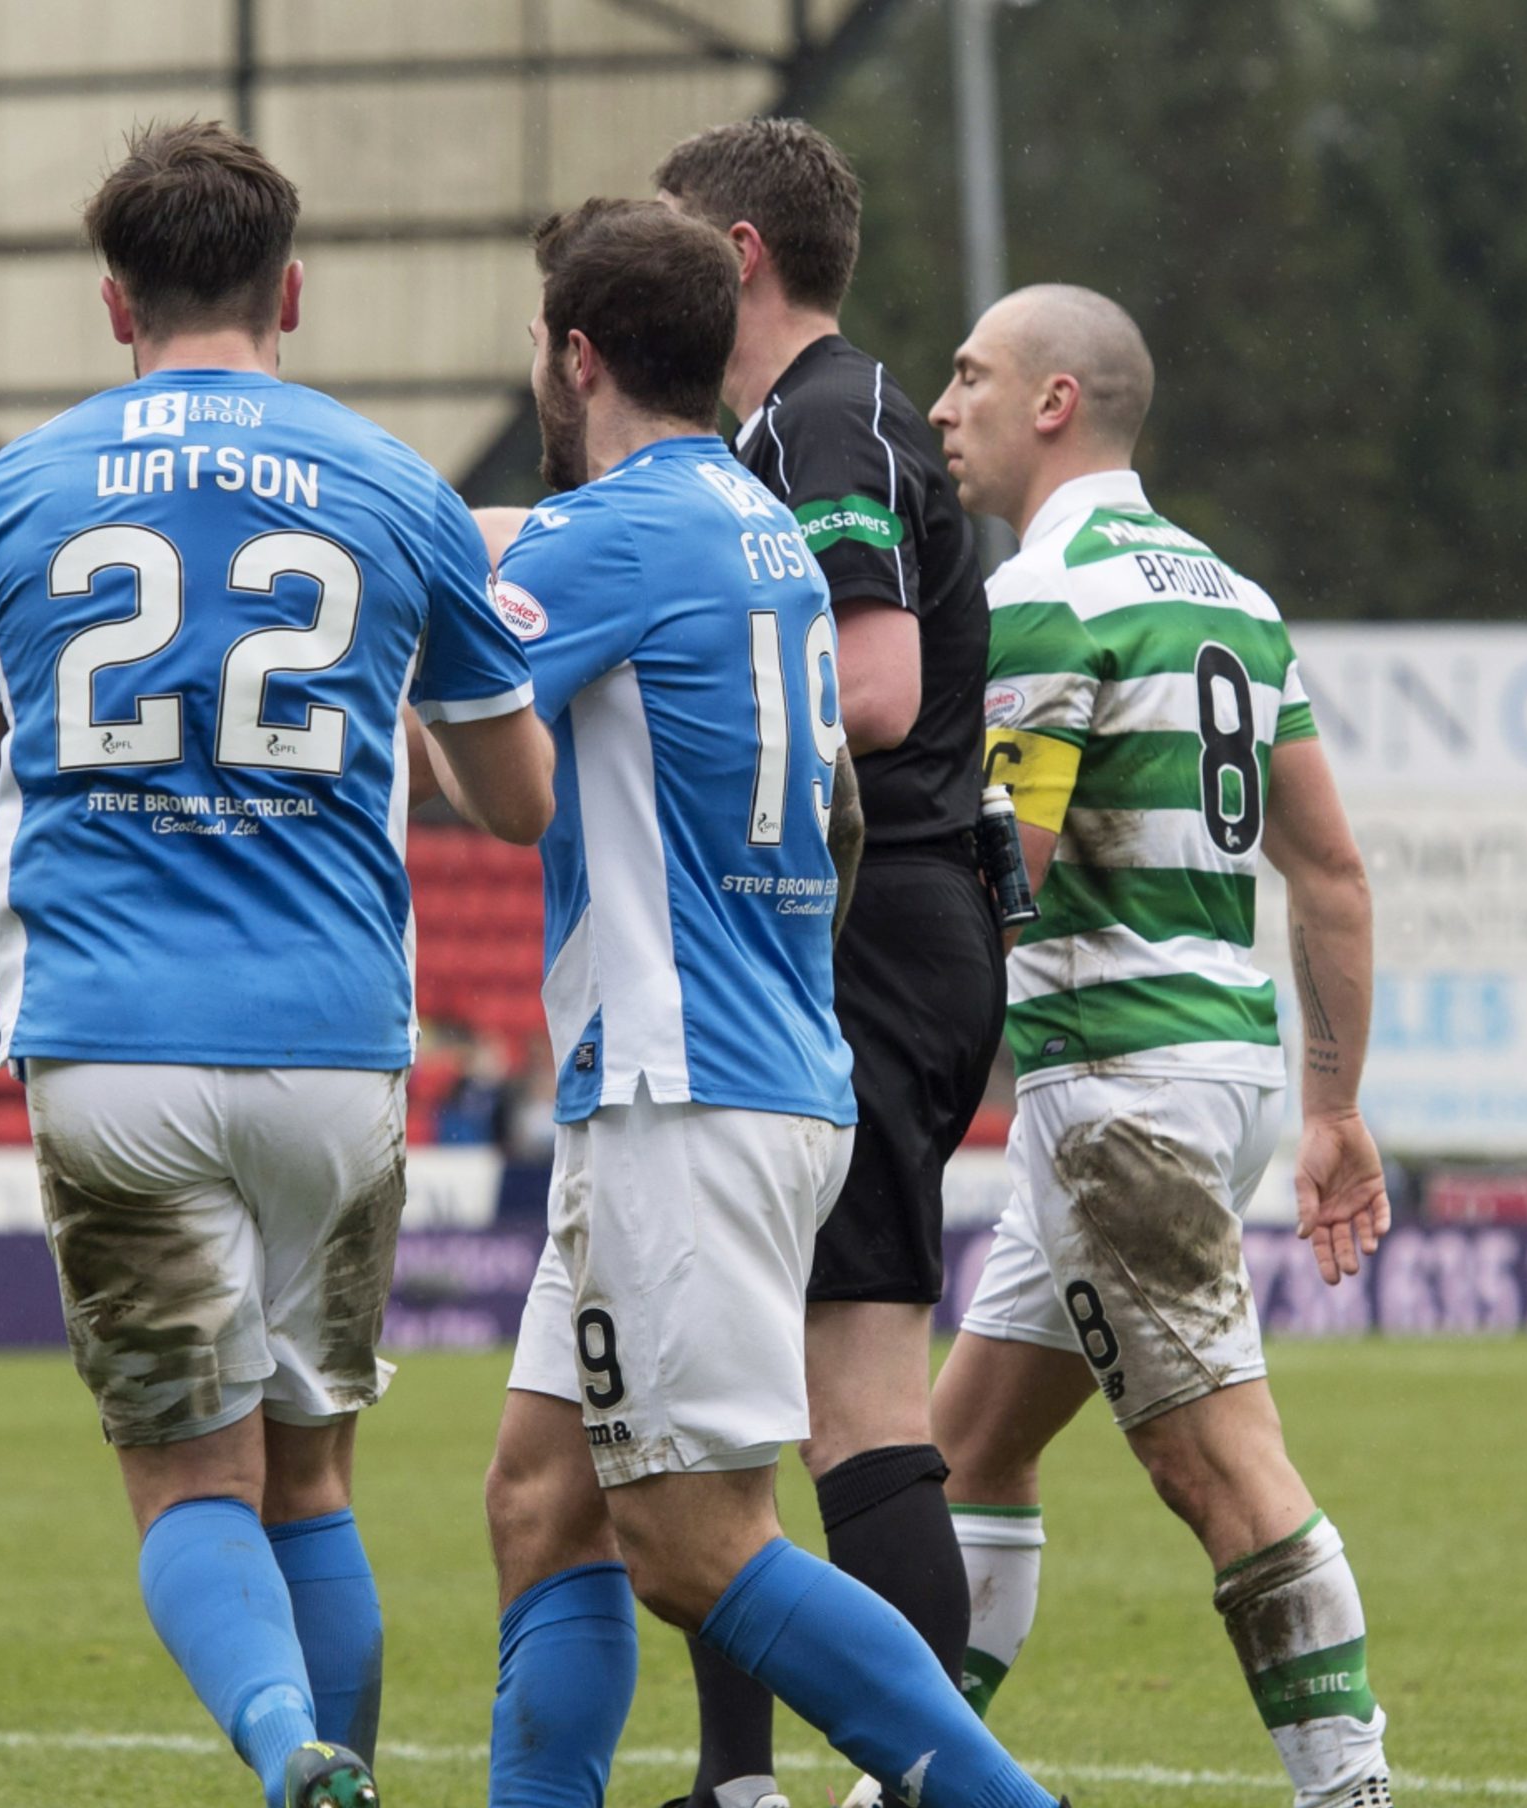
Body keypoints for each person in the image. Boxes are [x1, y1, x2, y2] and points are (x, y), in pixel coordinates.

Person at [0, 119, 553, 1808]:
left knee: (190, 1488)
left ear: (115, 305)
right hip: (333, 1039)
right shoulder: (397, 484)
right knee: (313, 1481)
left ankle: (286, 1750)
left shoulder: (12, 494)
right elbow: (522, 800)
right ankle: (335, 1765)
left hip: (113, 1036)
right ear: (294, 292)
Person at [466, 196, 1062, 1808]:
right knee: (544, 1499)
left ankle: (1008, 1802)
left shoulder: (622, 532)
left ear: (574, 353)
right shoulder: (749, 517)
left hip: (686, 1089)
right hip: (741, 1065)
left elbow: (470, 742)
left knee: (686, 1541)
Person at [927, 284, 1393, 1808]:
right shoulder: (1236, 600)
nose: (943, 407)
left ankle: (1354, 1790)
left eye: (971, 377)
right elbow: (1326, 869)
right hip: (1220, 1068)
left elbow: (1018, 870)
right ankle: (914, 1773)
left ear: (1055, 402)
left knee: (1223, 1468)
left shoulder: (1047, 596)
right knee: (963, 1455)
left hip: (1117, 1088)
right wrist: (1335, 1113)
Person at [638, 118, 1004, 1808]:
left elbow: (867, 689)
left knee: (852, 1399)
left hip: (866, 925)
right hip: (884, 926)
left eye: (665, 252)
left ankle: (918, 1783)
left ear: (733, 256)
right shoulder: (788, 423)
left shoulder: (828, 417)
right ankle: (741, 1785)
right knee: (757, 1391)